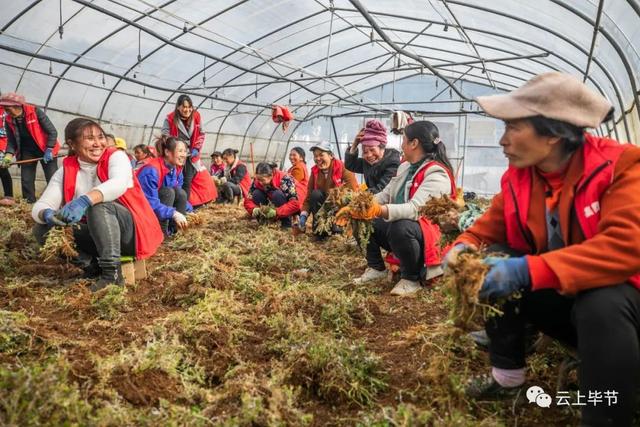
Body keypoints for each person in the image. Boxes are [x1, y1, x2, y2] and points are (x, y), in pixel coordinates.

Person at [444, 72, 640, 427]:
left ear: (552, 134)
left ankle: (607, 417)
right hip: (572, 305)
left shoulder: (621, 167)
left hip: (623, 312)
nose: (502, 141)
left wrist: (528, 271)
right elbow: (491, 225)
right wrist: (462, 246)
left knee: (603, 300)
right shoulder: (521, 175)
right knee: (501, 257)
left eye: (513, 129)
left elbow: (626, 247)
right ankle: (507, 378)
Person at [32, 118, 163, 292]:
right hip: (98, 237)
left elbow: (118, 183)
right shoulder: (66, 170)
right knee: (42, 229)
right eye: (89, 138)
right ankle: (92, 266)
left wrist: (85, 200)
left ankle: (112, 275)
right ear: (72, 144)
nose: (97, 144)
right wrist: (47, 214)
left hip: (130, 234)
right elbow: (42, 204)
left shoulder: (116, 157)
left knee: (99, 205)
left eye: (100, 137)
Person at [343, 121, 456, 296]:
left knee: (400, 226)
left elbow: (415, 210)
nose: (401, 144)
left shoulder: (436, 173)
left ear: (414, 143)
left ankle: (411, 278)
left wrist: (378, 210)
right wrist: (361, 206)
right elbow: (386, 194)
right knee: (363, 218)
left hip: (428, 235)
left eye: (404, 139)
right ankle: (376, 267)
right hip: (408, 230)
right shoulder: (405, 166)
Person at [0, 93, 59, 203]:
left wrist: (49, 148)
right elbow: (12, 140)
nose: (6, 112)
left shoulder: (35, 112)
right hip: (27, 150)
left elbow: (52, 132)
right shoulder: (9, 119)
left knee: (52, 178)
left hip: (45, 148)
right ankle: (29, 203)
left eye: (8, 109)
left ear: (18, 106)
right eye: (5, 109)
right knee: (26, 179)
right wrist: (8, 155)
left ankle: (55, 202)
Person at [299, 141, 358, 235]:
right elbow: (309, 196)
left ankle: (338, 227)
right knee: (315, 194)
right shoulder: (315, 172)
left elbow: (353, 192)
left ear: (331, 155)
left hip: (339, 210)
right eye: (315, 156)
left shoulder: (343, 168)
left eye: (321, 155)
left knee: (337, 232)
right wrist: (303, 215)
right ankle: (320, 229)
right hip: (323, 211)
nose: (318, 158)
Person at [137, 136, 191, 235]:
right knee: (168, 192)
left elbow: (179, 194)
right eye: (180, 151)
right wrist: (173, 213)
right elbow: (149, 202)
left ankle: (177, 232)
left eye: (185, 151)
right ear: (167, 152)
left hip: (159, 208)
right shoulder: (151, 171)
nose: (184, 155)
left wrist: (189, 211)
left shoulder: (174, 169)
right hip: (140, 209)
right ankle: (161, 233)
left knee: (180, 193)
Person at [162, 94, 203, 199]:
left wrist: (196, 148)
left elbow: (201, 134)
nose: (187, 110)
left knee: (187, 180)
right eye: (184, 107)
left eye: (190, 107)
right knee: (175, 178)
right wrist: (174, 146)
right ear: (178, 107)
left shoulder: (196, 116)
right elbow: (165, 135)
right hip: (176, 153)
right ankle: (174, 202)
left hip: (191, 153)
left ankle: (185, 205)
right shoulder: (170, 118)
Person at [345, 119, 401, 194]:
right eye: (365, 151)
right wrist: (355, 144)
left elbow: (381, 188)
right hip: (373, 200)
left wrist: (360, 195)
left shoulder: (392, 163)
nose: (369, 155)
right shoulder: (367, 162)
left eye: (372, 150)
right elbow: (350, 165)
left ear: (382, 148)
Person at [244, 162, 302, 228]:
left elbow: (295, 204)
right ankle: (263, 221)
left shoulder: (285, 179)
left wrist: (276, 212)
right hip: (272, 203)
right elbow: (247, 199)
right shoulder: (257, 181)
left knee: (277, 194)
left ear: (271, 175)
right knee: (256, 193)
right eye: (258, 179)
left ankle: (286, 223)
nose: (260, 182)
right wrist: (254, 209)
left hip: (287, 206)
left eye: (262, 180)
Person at [0, 106, 14, 206]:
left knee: (2, 168)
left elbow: (6, 131)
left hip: (2, 144)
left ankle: (9, 196)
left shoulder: (5, 112)